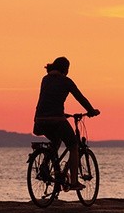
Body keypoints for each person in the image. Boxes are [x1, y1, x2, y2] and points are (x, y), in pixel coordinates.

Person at [33, 56, 100, 190]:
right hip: (56, 119)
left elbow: (49, 100)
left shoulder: (45, 79)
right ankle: (74, 181)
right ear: (65, 69)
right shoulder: (66, 81)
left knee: (56, 141)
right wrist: (91, 110)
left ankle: (45, 167)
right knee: (73, 145)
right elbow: (80, 97)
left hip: (40, 120)